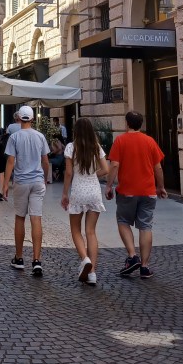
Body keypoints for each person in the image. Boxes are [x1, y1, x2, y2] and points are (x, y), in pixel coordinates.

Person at [104, 111, 168, 280]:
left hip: (127, 191)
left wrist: (109, 186)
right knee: (146, 226)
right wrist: (161, 187)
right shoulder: (150, 141)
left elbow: (114, 165)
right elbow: (158, 167)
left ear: (127, 123)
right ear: (141, 124)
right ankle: (145, 267)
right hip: (148, 191)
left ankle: (133, 256)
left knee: (123, 221)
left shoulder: (120, 140)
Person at [3, 105, 50, 277]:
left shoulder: (14, 137)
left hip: (21, 181)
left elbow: (10, 162)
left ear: (18, 119)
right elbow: (45, 160)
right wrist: (45, 178)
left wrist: (5, 184)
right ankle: (37, 261)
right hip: (37, 181)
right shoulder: (40, 136)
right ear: (32, 119)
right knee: (36, 218)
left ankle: (19, 257)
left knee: (20, 217)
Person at [61, 118, 109, 284]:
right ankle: (92, 273)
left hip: (78, 191)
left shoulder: (71, 147)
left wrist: (64, 194)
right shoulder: (96, 147)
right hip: (94, 191)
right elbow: (106, 169)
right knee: (91, 232)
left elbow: (69, 173)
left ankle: (85, 259)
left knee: (75, 230)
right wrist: (93, 174)